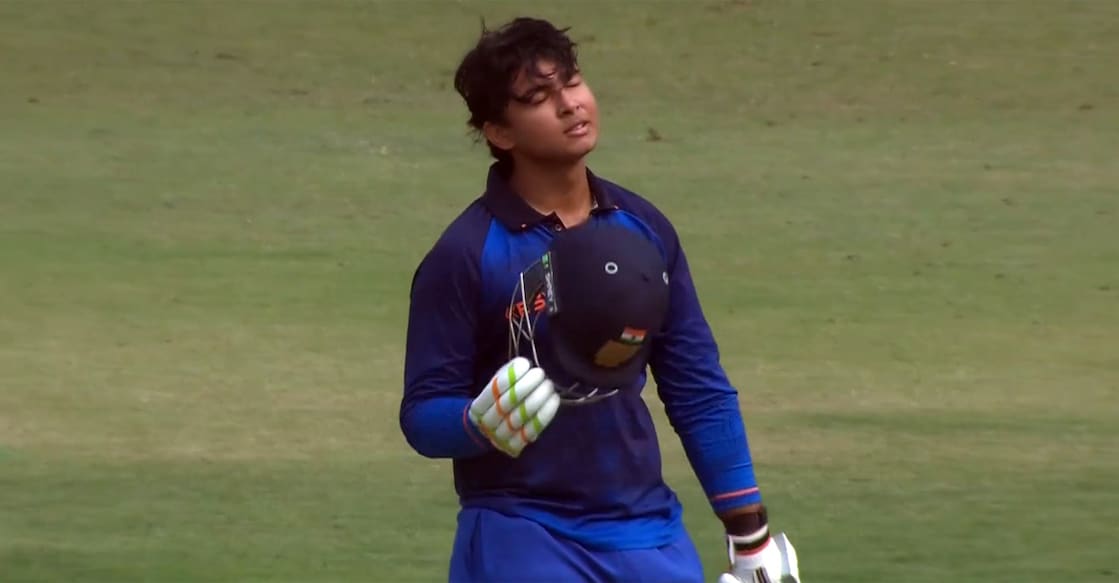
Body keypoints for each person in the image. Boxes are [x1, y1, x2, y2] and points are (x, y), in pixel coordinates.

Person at [399, 16, 799, 583]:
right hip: (522, 532)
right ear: (500, 132)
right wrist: (475, 424)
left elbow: (697, 387)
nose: (570, 104)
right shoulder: (466, 253)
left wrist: (749, 535)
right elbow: (422, 413)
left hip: (648, 533)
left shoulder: (644, 229)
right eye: (539, 97)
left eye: (572, 82)